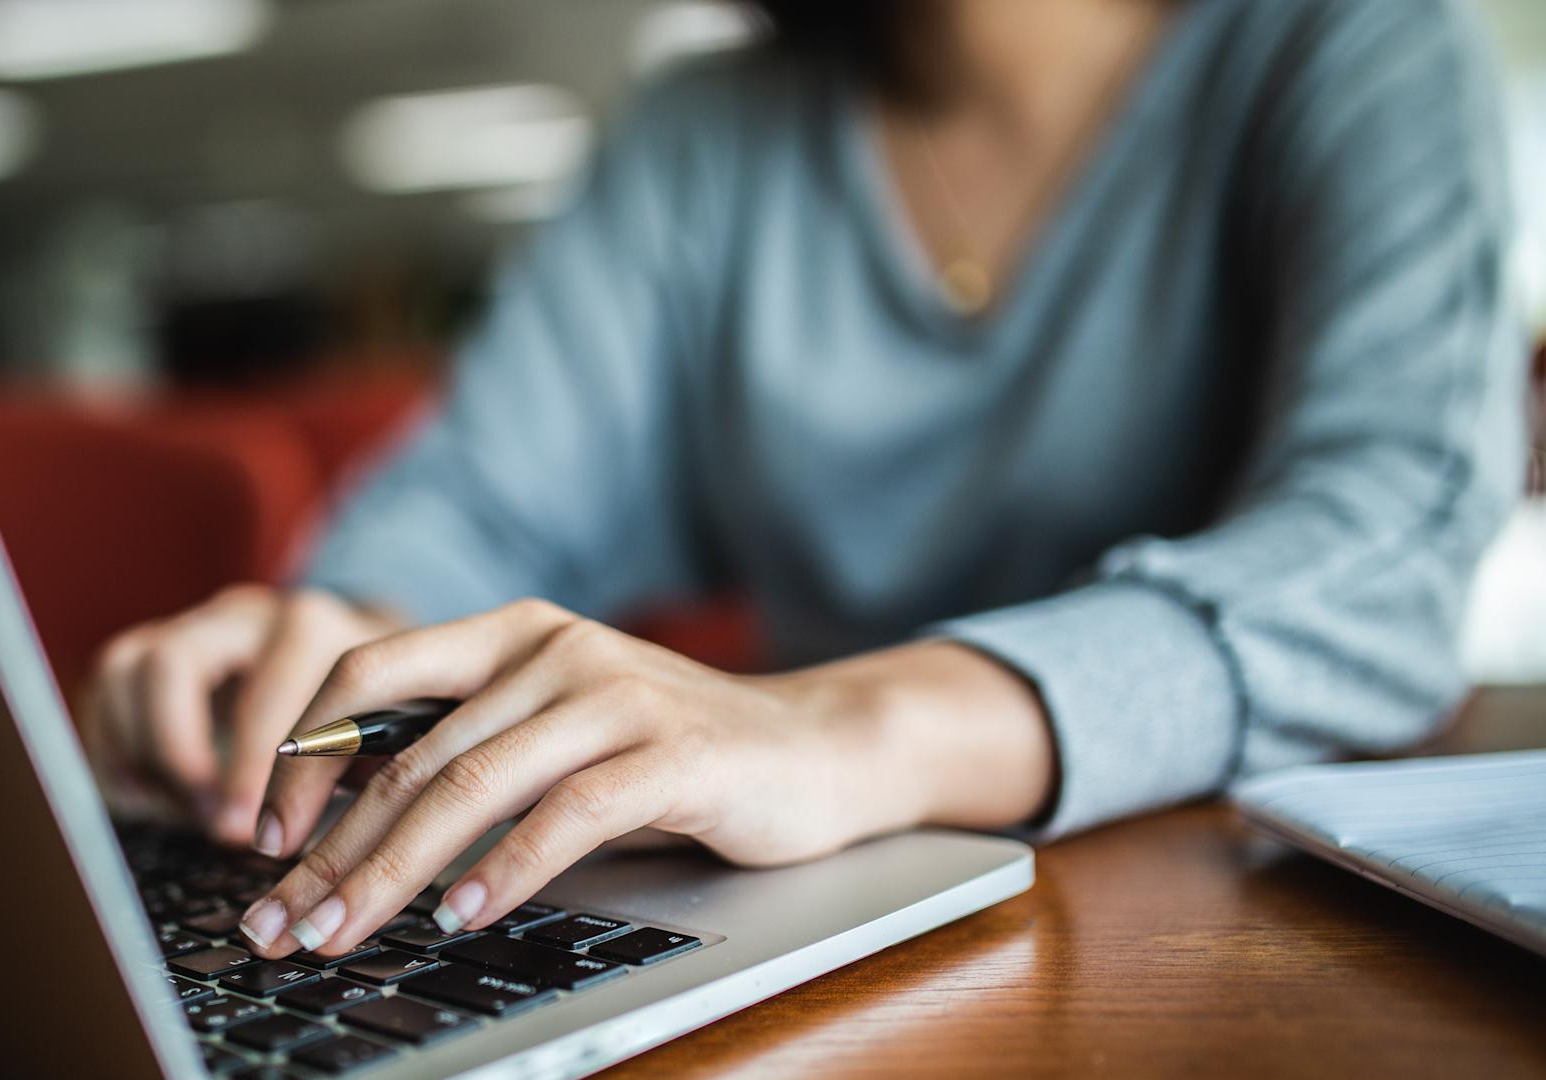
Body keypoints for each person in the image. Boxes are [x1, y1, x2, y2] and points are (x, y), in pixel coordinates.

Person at [83, 0, 1526, 960]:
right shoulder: (704, 134)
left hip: (1232, 927)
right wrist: (344, 636)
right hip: (810, 923)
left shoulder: (1355, 47)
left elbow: (1379, 560)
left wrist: (840, 726)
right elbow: (485, 499)